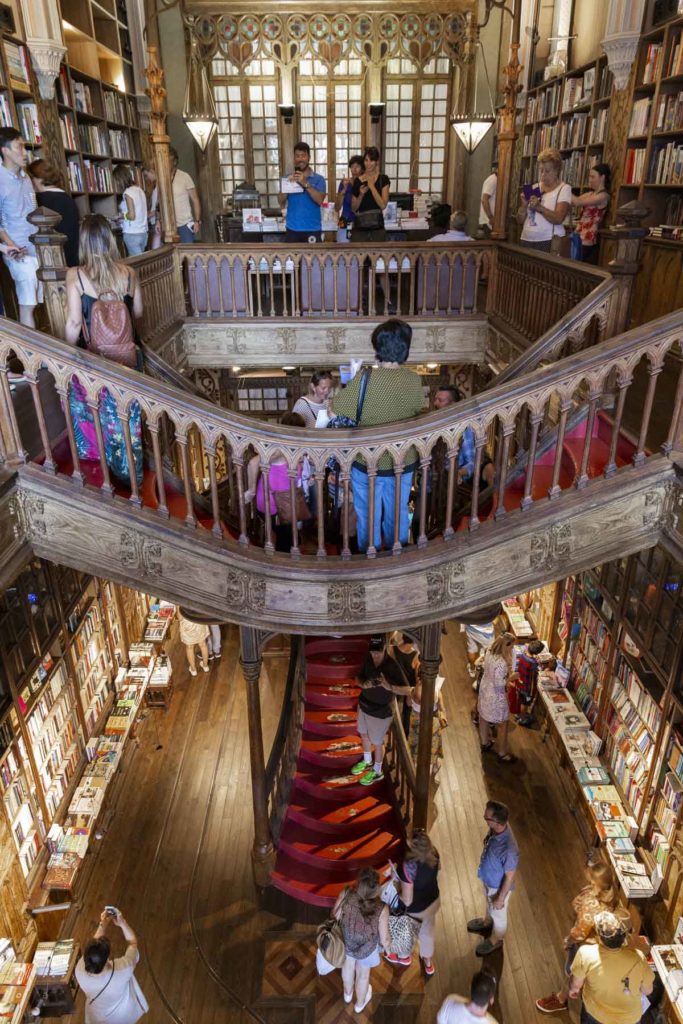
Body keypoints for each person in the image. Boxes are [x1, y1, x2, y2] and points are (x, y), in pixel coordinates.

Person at [329, 319, 423, 553]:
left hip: (366, 461)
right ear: (405, 349)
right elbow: (416, 411)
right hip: (402, 461)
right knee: (399, 511)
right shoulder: (414, 380)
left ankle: (368, 555)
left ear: (377, 348)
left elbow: (334, 410)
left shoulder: (365, 378)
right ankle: (396, 554)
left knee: (368, 514)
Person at [64, 214, 144, 488]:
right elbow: (138, 313)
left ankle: (98, 471)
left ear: (84, 241)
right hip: (127, 360)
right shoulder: (129, 273)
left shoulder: (75, 275)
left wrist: (64, 352)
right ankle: (128, 474)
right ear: (110, 240)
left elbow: (75, 323)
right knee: (125, 419)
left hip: (94, 361)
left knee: (91, 412)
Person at [536, 861, 620, 1015]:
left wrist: (568, 940)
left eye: (591, 881)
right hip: (599, 945)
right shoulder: (611, 894)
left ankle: (561, 999)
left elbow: (579, 933)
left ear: (597, 884)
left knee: (572, 970)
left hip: (584, 945)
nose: (588, 883)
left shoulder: (591, 906)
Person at [568, 911, 654, 1024]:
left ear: (598, 936)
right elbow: (647, 991)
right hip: (628, 1019)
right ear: (623, 936)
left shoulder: (585, 953)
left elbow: (576, 986)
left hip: (595, 1014)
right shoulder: (638, 957)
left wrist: (573, 990)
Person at [350, 634, 412, 786]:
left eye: (378, 652)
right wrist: (364, 684)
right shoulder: (368, 658)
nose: (375, 655)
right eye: (373, 652)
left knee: (378, 743)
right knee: (363, 734)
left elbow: (408, 690)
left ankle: (378, 771)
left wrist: (389, 687)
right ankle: (367, 760)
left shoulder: (392, 666)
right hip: (364, 705)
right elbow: (358, 677)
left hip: (380, 712)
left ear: (384, 648)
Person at [243, 411, 307, 553]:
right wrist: (251, 491)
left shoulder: (291, 446)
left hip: (284, 501)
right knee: (285, 543)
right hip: (274, 503)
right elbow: (254, 463)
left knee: (287, 538)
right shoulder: (279, 448)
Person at [75, 907, 148, 1024]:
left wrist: (103, 924)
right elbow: (133, 943)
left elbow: (94, 948)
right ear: (106, 958)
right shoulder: (122, 969)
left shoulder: (79, 970)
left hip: (97, 1015)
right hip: (121, 1015)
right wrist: (122, 923)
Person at [333, 866, 390, 1014]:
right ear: (376, 889)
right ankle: (359, 1004)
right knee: (363, 975)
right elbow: (384, 939)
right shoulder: (382, 908)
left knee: (347, 967)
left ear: (359, 883)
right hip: (368, 948)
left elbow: (336, 915)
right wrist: (389, 947)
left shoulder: (346, 893)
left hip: (347, 940)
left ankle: (347, 994)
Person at [0, 127, 41, 327]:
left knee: (45, 302)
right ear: (5, 150)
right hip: (17, 251)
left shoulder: (26, 178)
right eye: (19, 147)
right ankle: (32, 357)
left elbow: (33, 211)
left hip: (37, 247)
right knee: (28, 305)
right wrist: (12, 246)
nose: (24, 152)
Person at [468, 800, 519, 957]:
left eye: (486, 818)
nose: (484, 817)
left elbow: (510, 875)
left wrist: (500, 898)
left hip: (498, 887)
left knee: (499, 913)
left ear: (497, 822)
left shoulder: (509, 849)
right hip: (490, 880)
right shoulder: (498, 829)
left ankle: (497, 939)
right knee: (489, 906)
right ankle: (487, 923)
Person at [387, 830, 441, 974]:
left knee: (407, 933)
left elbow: (407, 900)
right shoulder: (434, 853)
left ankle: (404, 957)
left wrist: (396, 884)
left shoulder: (408, 866)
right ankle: (428, 962)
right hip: (433, 900)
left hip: (415, 910)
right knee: (427, 933)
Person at [518, 148, 572, 253]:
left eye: (547, 171)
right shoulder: (534, 187)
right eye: (541, 170)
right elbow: (519, 220)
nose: (543, 174)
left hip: (548, 240)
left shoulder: (564, 188)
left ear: (557, 171)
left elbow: (558, 218)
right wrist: (524, 206)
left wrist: (539, 207)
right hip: (526, 239)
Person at [28, 158, 80, 267]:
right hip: (73, 256)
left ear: (37, 179)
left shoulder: (41, 200)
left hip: (53, 261)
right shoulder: (67, 198)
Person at [478, 632, 518, 763]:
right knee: (502, 724)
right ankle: (502, 752)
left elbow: (485, 669)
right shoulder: (501, 663)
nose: (512, 650)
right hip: (495, 696)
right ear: (506, 646)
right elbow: (499, 684)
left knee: (483, 716)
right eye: (511, 647)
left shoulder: (489, 652)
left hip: (485, 689)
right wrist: (511, 678)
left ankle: (485, 742)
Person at [278, 141, 326, 242]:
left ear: (309, 157)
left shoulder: (319, 179)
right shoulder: (287, 178)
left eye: (303, 156)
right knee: (292, 258)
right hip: (292, 229)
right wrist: (288, 185)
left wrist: (305, 183)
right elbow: (280, 200)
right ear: (294, 159)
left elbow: (320, 201)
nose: (300, 159)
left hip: (313, 229)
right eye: (297, 156)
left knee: (313, 258)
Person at [406, 673, 447, 779]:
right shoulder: (436, 691)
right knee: (432, 748)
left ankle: (416, 773)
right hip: (432, 723)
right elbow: (442, 709)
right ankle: (431, 770)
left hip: (416, 723)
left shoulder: (415, 690)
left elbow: (408, 703)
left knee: (416, 747)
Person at [571, 163, 610, 264]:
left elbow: (578, 202)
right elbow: (574, 202)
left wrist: (563, 187)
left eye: (593, 177)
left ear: (602, 177)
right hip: (578, 234)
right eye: (589, 176)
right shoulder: (590, 194)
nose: (590, 180)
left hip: (588, 238)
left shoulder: (604, 196)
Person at [350, 146, 390, 241]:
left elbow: (383, 205)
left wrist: (371, 186)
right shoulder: (357, 181)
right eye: (366, 160)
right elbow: (353, 208)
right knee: (359, 256)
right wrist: (361, 194)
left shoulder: (383, 179)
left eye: (372, 160)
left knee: (378, 255)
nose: (369, 164)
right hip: (360, 229)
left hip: (377, 229)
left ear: (377, 162)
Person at [388, 631, 420, 733]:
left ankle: (389, 728)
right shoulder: (416, 656)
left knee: (391, 706)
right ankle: (405, 732)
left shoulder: (392, 649)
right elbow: (416, 677)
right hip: (406, 689)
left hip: (393, 684)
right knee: (407, 712)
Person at [113, 166, 148, 257]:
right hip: (143, 233)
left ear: (120, 179)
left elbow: (132, 216)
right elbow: (140, 212)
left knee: (138, 264)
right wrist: (123, 218)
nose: (116, 184)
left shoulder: (128, 192)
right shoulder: (140, 190)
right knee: (143, 262)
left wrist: (121, 216)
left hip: (132, 234)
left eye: (116, 180)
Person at [170, 147, 201, 243]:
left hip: (185, 224)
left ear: (174, 161)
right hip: (168, 225)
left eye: (168, 160)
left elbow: (195, 200)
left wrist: (197, 221)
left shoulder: (184, 176)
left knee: (187, 254)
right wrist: (159, 220)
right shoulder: (162, 179)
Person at [513, 638, 545, 727]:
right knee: (525, 702)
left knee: (521, 700)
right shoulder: (533, 662)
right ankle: (523, 719)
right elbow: (534, 673)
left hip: (520, 682)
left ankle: (519, 715)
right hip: (527, 687)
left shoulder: (523, 655)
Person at [335, 154, 364, 228]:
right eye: (352, 166)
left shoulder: (364, 184)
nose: (354, 169)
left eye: (357, 166)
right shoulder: (344, 183)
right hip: (344, 221)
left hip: (361, 222)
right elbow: (337, 208)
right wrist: (343, 190)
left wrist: (354, 186)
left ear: (362, 169)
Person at [142, 165, 161, 250]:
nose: (147, 179)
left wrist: (145, 216)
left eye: (146, 175)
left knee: (156, 249)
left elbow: (159, 207)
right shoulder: (155, 186)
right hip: (154, 221)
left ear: (152, 171)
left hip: (157, 221)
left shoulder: (159, 186)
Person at [479, 166, 497, 237]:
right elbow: (485, 199)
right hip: (489, 221)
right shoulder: (493, 180)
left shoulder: (496, 179)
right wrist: (490, 217)